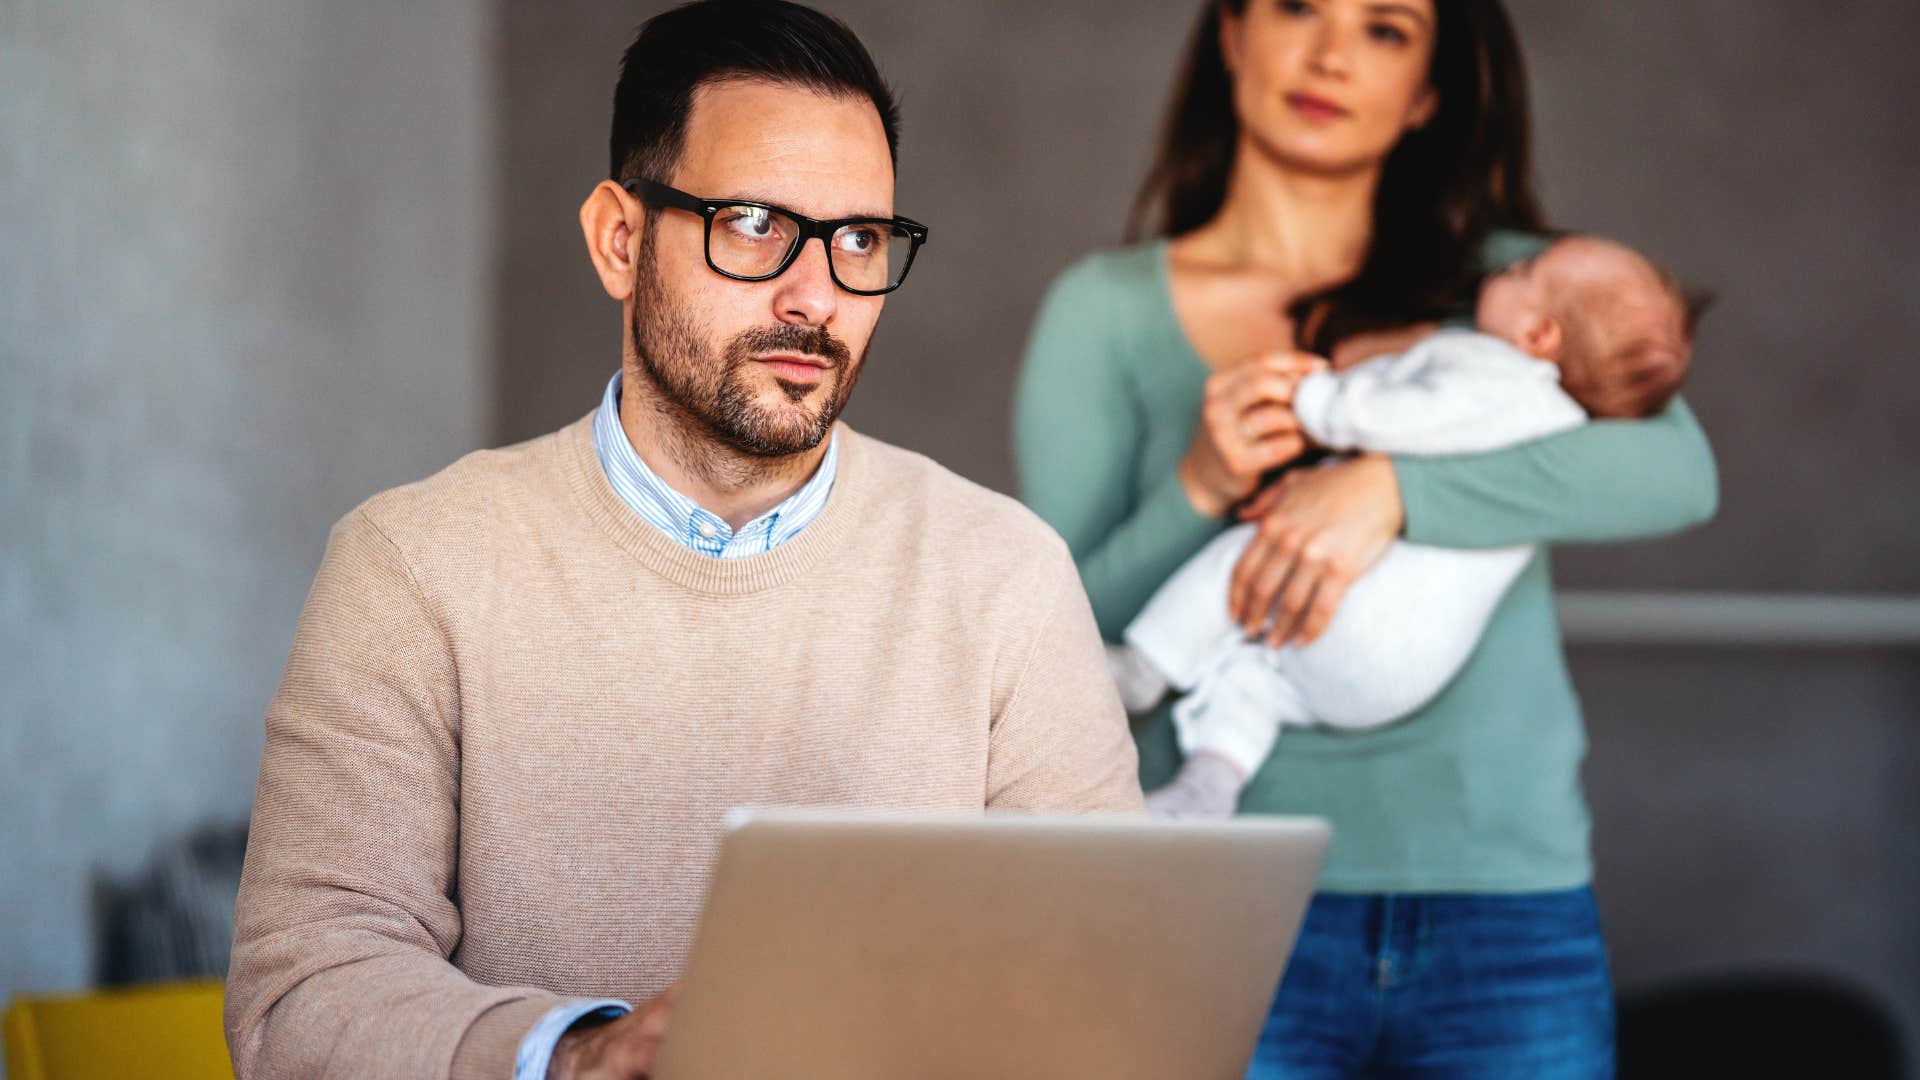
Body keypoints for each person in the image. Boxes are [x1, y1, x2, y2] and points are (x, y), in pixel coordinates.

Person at [224, 4, 1143, 1078]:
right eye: (754, 223)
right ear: (621, 239)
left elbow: (1112, 988)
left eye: (858, 240)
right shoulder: (413, 563)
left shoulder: (1007, 579)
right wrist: (578, 1058)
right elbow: (301, 996)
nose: (816, 298)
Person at [1013, 0, 1718, 1074]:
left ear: (1430, 88)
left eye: (1386, 27)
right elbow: (1053, 637)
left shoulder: (1528, 289)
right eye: (1299, 7)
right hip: (1219, 904)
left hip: (1506, 905)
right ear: (1235, 34)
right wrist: (1200, 486)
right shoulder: (1104, 311)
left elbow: (1680, 474)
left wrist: (1388, 490)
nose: (1332, 53)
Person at [1114, 235, 1699, 817]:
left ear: (1539, 336)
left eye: (1524, 273)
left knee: (1243, 562)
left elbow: (1398, 416)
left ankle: (1146, 667)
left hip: (1362, 613)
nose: (1507, 268)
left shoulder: (1499, 373)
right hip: (1396, 674)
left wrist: (1317, 400)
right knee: (1252, 680)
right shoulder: (1558, 425)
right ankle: (1210, 783)